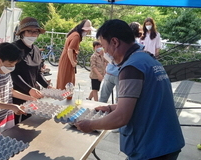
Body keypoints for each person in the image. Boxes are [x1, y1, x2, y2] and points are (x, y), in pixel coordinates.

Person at [75, 19, 185, 160]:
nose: (104, 52)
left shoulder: (131, 68)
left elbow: (121, 117)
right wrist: (111, 107)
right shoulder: (147, 59)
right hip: (167, 141)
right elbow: (145, 100)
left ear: (114, 42)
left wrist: (90, 124)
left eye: (103, 46)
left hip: (152, 147)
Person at [0, 42, 36, 132]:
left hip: (6, 116)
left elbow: (12, 91)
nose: (12, 67)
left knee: (7, 135)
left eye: (14, 64)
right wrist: (12, 106)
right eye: (10, 64)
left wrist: (30, 98)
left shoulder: (6, 73)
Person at [11, 17, 51, 124]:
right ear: (22, 33)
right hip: (17, 95)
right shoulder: (14, 48)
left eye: (35, 32)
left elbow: (38, 73)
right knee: (16, 128)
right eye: (29, 31)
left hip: (33, 95)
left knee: (30, 123)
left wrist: (47, 86)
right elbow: (14, 74)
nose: (33, 34)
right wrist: (29, 89)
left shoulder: (36, 50)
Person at [56, 19, 95, 90]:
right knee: (66, 81)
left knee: (64, 80)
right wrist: (72, 62)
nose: (88, 32)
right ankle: (64, 97)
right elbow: (70, 50)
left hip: (66, 58)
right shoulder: (76, 36)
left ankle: (63, 96)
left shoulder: (74, 34)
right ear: (83, 29)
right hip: (67, 60)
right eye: (87, 30)